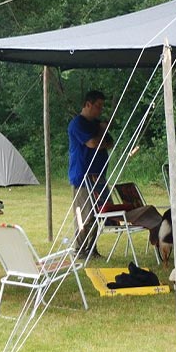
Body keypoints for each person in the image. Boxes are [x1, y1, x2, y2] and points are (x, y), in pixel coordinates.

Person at [68, 90, 113, 255]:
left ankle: (92, 249)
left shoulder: (96, 124)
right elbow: (93, 143)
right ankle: (79, 249)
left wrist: (100, 136)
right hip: (82, 177)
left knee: (98, 214)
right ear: (88, 104)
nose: (100, 110)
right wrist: (101, 131)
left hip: (98, 177)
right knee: (84, 217)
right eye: (98, 106)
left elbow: (110, 142)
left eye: (102, 106)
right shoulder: (77, 124)